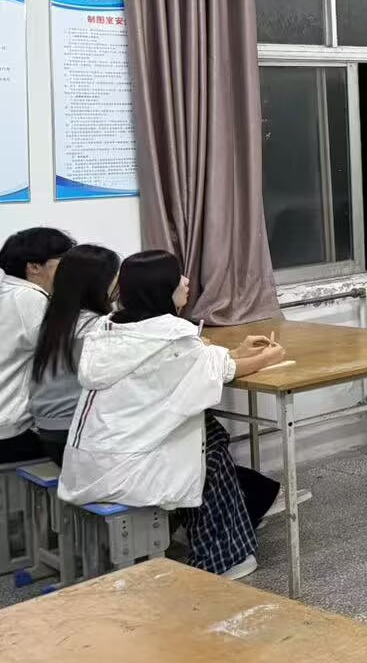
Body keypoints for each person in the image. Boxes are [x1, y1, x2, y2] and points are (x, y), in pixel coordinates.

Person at [59, 250, 288, 579]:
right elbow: (218, 368)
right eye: (178, 277)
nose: (185, 281)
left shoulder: (110, 329)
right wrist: (270, 356)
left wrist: (236, 352)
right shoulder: (171, 334)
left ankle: (218, 531)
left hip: (89, 462)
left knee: (207, 431)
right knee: (210, 451)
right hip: (127, 470)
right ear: (160, 288)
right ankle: (223, 556)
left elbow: (197, 362)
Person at [30, 243, 120, 465]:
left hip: (47, 430)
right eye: (115, 275)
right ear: (99, 282)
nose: (119, 281)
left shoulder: (55, 320)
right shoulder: (96, 326)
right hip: (75, 433)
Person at [0, 227, 74, 463]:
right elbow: (66, 354)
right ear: (34, 267)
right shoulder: (29, 298)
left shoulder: (8, 293)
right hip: (11, 433)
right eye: (65, 261)